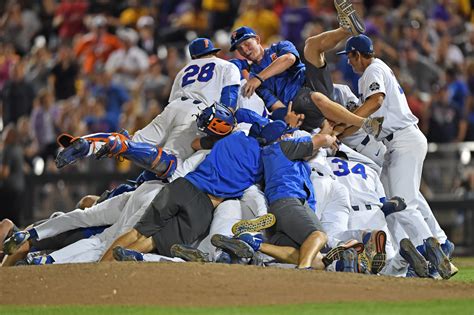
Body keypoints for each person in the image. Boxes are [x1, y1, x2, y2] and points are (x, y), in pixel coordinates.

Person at [335, 34, 452, 278]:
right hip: (397, 142)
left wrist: (348, 124)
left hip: (402, 139)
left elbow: (376, 101)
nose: (348, 62)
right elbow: (367, 116)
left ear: (358, 54)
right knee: (396, 201)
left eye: (349, 57)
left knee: (402, 202)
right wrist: (348, 127)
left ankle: (429, 249)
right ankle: (425, 247)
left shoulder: (372, 70)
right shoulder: (378, 68)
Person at [56, 37, 241, 181]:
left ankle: (88, 145)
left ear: (194, 56)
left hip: (172, 109)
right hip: (196, 114)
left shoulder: (183, 71)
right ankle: (123, 146)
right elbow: (229, 102)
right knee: (171, 164)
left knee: (136, 140)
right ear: (213, 52)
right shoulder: (227, 65)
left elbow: (173, 102)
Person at [228, 1, 381, 136]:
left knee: (311, 45)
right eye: (240, 49)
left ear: (257, 39)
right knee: (312, 96)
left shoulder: (278, 47)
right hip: (300, 106)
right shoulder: (254, 80)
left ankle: (347, 29)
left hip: (312, 82)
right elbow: (277, 106)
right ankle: (365, 124)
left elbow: (289, 59)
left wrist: (260, 77)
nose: (245, 50)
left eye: (247, 44)